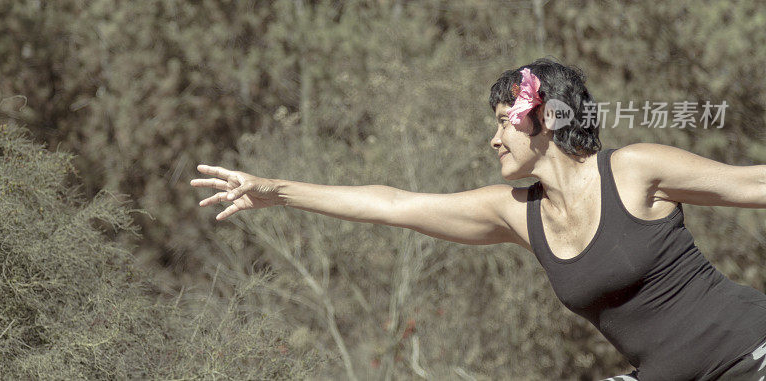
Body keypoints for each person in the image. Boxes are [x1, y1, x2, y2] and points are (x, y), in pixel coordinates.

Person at [191, 58, 766, 380]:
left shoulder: (635, 169)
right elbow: (396, 204)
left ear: (542, 118)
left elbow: (753, 183)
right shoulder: (516, 213)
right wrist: (277, 192)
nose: (493, 139)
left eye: (502, 122)